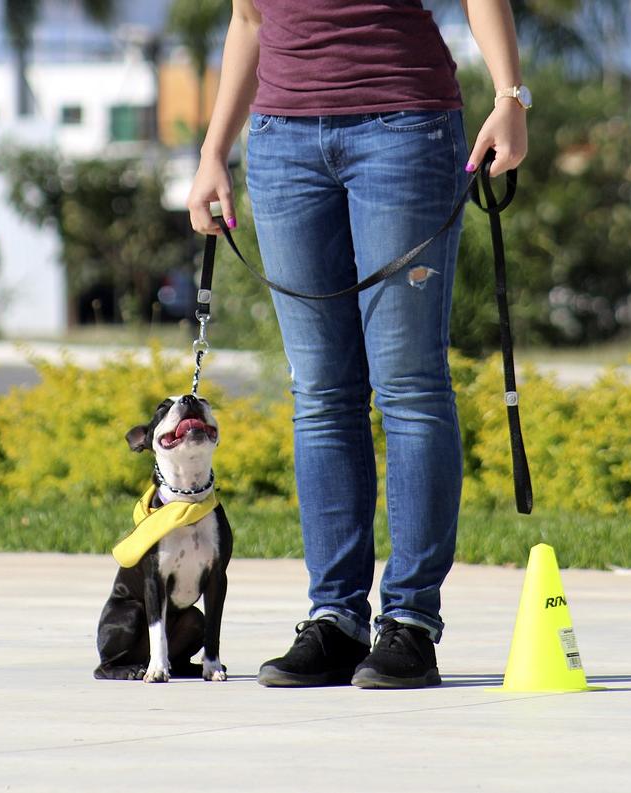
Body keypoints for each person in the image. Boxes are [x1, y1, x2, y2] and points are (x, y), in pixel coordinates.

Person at [187, 0, 528, 689]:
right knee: (318, 392)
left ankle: (410, 622)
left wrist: (509, 96)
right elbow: (248, 18)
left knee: (407, 382)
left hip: (403, 128)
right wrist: (211, 152)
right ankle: (334, 617)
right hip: (281, 142)